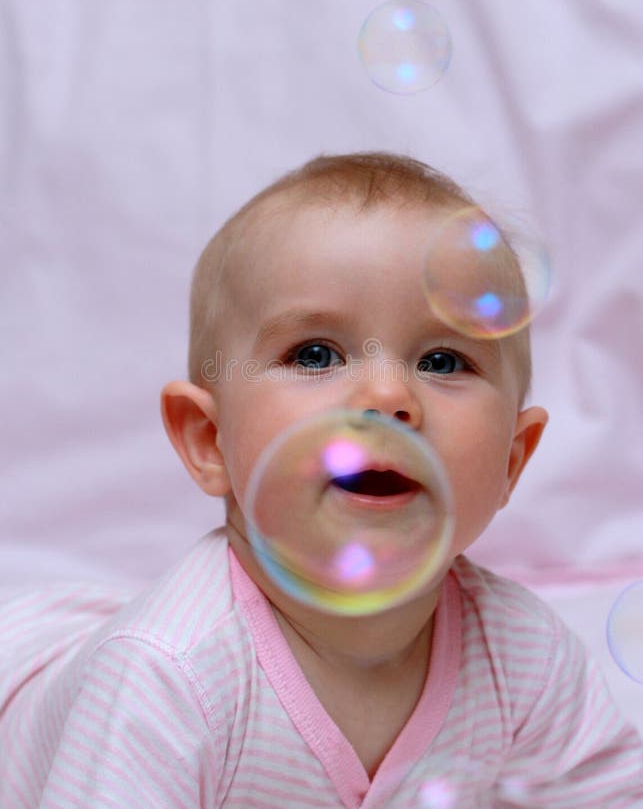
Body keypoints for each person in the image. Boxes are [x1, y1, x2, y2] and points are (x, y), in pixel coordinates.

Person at [1, 152, 642, 807]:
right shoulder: (165, 675)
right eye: (315, 354)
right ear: (207, 440)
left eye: (443, 359)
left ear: (512, 458)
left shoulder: (521, 656)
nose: (388, 395)